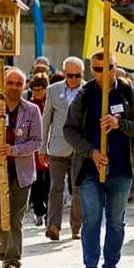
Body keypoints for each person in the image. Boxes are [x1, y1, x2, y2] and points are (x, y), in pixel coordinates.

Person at [63, 51, 134, 268]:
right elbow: (69, 130)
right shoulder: (85, 94)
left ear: (115, 67)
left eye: (107, 67)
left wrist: (119, 124)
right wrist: (91, 151)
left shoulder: (128, 93)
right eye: (97, 69)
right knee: (91, 219)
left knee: (115, 221)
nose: (102, 73)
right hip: (91, 169)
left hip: (121, 170)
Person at [0, 68, 42, 268]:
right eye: (10, 83)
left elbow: (36, 141)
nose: (14, 87)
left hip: (22, 173)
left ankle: (12, 263)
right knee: (1, 220)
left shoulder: (32, 110)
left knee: (15, 219)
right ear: (3, 84)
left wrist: (15, 150)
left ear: (24, 86)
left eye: (19, 83)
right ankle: (6, 247)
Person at [41, 57, 85, 241]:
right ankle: (53, 226)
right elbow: (46, 120)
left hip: (80, 148)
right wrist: (42, 147)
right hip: (58, 146)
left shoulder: (89, 90)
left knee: (78, 189)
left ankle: (76, 227)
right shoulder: (53, 90)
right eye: (70, 75)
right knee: (55, 187)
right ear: (64, 73)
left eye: (77, 76)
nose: (74, 79)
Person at [28, 73, 51, 226]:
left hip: (50, 146)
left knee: (49, 181)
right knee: (36, 181)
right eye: (34, 90)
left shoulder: (50, 102)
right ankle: (38, 211)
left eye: (39, 89)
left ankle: (50, 210)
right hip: (35, 149)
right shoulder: (29, 105)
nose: (36, 93)